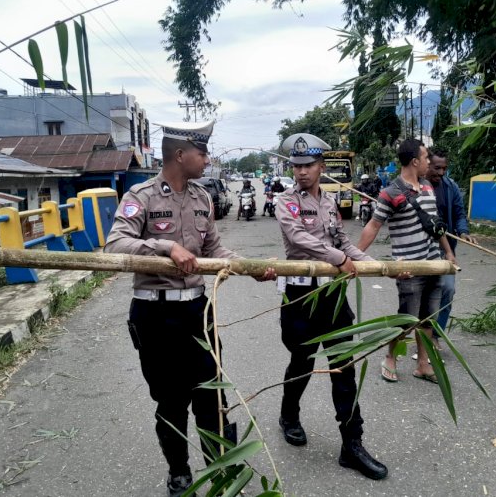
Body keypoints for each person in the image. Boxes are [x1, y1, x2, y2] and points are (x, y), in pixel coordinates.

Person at [104, 121, 275, 497]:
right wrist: (165, 247)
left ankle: (223, 472)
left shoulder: (203, 198)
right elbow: (115, 245)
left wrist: (249, 268)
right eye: (202, 153)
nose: (207, 159)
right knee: (170, 400)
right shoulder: (141, 196)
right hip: (155, 316)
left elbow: (214, 249)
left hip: (198, 311)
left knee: (212, 396)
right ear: (181, 155)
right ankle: (179, 473)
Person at [275, 132, 388, 481]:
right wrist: (339, 258)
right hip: (301, 295)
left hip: (333, 296)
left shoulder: (329, 202)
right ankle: (289, 415)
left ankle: (351, 444)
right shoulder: (286, 201)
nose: (301, 172)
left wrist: (370, 264)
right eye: (296, 166)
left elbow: (342, 242)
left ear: (321, 167)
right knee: (302, 361)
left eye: (308, 165)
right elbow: (298, 237)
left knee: (344, 366)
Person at [357, 139, 456, 384]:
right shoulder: (391, 193)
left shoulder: (427, 187)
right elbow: (374, 225)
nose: (428, 162)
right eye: (425, 158)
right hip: (409, 268)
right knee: (407, 320)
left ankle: (423, 364)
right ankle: (390, 357)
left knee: (427, 319)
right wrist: (355, 257)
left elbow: (436, 224)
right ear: (414, 161)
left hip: (433, 264)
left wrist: (448, 253)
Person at [427, 148, 477, 346]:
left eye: (444, 168)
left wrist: (463, 231)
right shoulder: (417, 187)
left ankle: (435, 336)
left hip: (445, 250)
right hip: (422, 249)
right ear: (426, 164)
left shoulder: (451, 187)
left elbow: (459, 213)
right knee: (421, 294)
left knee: (447, 290)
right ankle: (418, 335)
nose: (441, 173)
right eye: (437, 168)